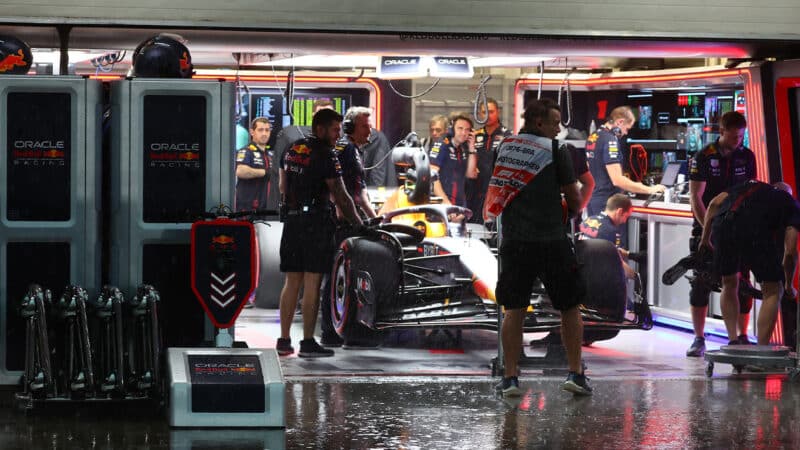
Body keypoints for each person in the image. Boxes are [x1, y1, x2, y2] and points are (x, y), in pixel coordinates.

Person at [484, 98, 591, 397]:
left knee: (514, 308)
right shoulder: (557, 151)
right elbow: (574, 196)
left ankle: (510, 378)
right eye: (555, 122)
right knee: (569, 306)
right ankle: (575, 373)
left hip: (515, 242)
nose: (559, 129)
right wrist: (569, 210)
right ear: (539, 122)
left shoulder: (505, 148)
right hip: (552, 241)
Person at [276, 108, 363, 358]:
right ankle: (307, 342)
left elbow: (283, 186)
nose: (339, 135)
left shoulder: (292, 149)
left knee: (292, 281)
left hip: (292, 221)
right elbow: (341, 195)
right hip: (315, 222)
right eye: (335, 130)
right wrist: (358, 224)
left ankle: (283, 340)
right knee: (312, 282)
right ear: (321, 128)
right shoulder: (326, 155)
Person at [685, 111, 756, 357]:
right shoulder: (703, 156)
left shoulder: (747, 156)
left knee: (742, 283)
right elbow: (696, 197)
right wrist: (709, 228)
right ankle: (698, 338)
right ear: (722, 131)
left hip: (738, 227)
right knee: (701, 282)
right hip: (705, 225)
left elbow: (750, 191)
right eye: (734, 136)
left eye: (741, 136)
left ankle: (742, 336)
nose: (738, 140)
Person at [700, 180, 800, 346]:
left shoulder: (746, 185)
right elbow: (790, 252)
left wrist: (705, 239)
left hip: (723, 225)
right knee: (773, 290)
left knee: (729, 283)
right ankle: (761, 351)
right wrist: (789, 285)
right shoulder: (789, 202)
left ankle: (733, 340)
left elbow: (713, 204)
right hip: (754, 230)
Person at [319, 106, 378, 348]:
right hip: (340, 225)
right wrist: (350, 218)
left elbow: (360, 193)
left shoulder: (353, 151)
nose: (370, 130)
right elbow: (337, 189)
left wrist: (374, 219)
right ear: (350, 128)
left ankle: (338, 332)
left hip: (349, 221)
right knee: (338, 277)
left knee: (342, 277)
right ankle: (332, 332)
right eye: (365, 125)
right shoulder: (346, 150)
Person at [586, 106, 665, 216]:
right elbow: (617, 180)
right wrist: (649, 190)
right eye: (627, 129)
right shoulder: (610, 140)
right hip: (608, 204)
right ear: (620, 122)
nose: (626, 133)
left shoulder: (593, 136)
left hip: (593, 199)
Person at [466, 98, 511, 224]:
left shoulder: (508, 135)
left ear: (498, 112)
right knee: (476, 231)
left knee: (497, 232)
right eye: (484, 112)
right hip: (477, 193)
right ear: (479, 114)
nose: (488, 116)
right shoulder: (475, 136)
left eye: (491, 112)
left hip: (499, 193)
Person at [579, 193, 640, 279]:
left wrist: (629, 254)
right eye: (626, 216)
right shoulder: (612, 231)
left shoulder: (588, 220)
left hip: (580, 273)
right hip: (595, 278)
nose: (624, 221)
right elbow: (618, 263)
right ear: (619, 211)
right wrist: (636, 277)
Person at [430, 113, 474, 215]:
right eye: (460, 128)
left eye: (467, 130)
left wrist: (472, 148)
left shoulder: (464, 147)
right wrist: (446, 204)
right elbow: (432, 177)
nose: (463, 133)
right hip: (442, 208)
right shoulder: (442, 144)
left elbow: (471, 174)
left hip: (459, 207)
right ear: (452, 128)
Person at [234, 117, 271, 211]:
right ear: (252, 132)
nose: (264, 133)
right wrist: (265, 172)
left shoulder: (269, 155)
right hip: (247, 208)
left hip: (264, 208)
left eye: (267, 130)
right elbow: (241, 171)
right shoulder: (246, 151)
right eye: (260, 130)